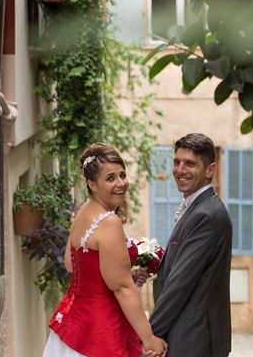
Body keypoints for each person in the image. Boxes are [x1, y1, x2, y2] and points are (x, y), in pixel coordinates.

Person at [43, 143, 167, 357]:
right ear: (92, 184)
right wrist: (149, 339)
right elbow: (122, 288)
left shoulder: (82, 212)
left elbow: (72, 265)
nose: (121, 183)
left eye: (122, 175)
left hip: (74, 326)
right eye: (110, 178)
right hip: (100, 331)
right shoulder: (109, 222)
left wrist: (123, 272)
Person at [149, 133, 233, 357]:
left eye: (190, 164)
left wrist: (149, 336)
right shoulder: (198, 208)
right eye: (177, 162)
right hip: (188, 335)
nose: (180, 170)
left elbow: (180, 284)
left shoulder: (206, 214)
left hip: (193, 339)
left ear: (210, 170)